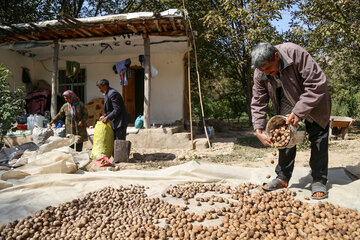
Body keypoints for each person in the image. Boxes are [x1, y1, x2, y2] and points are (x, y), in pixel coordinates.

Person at [251, 42, 331, 200]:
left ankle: (318, 180)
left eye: (269, 68)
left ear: (276, 56)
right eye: (263, 71)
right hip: (286, 102)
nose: (267, 73)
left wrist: (300, 111)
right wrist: (258, 128)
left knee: (318, 139)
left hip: (313, 100)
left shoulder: (295, 53)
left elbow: (317, 84)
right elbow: (259, 100)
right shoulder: (260, 72)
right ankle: (282, 177)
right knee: (284, 138)